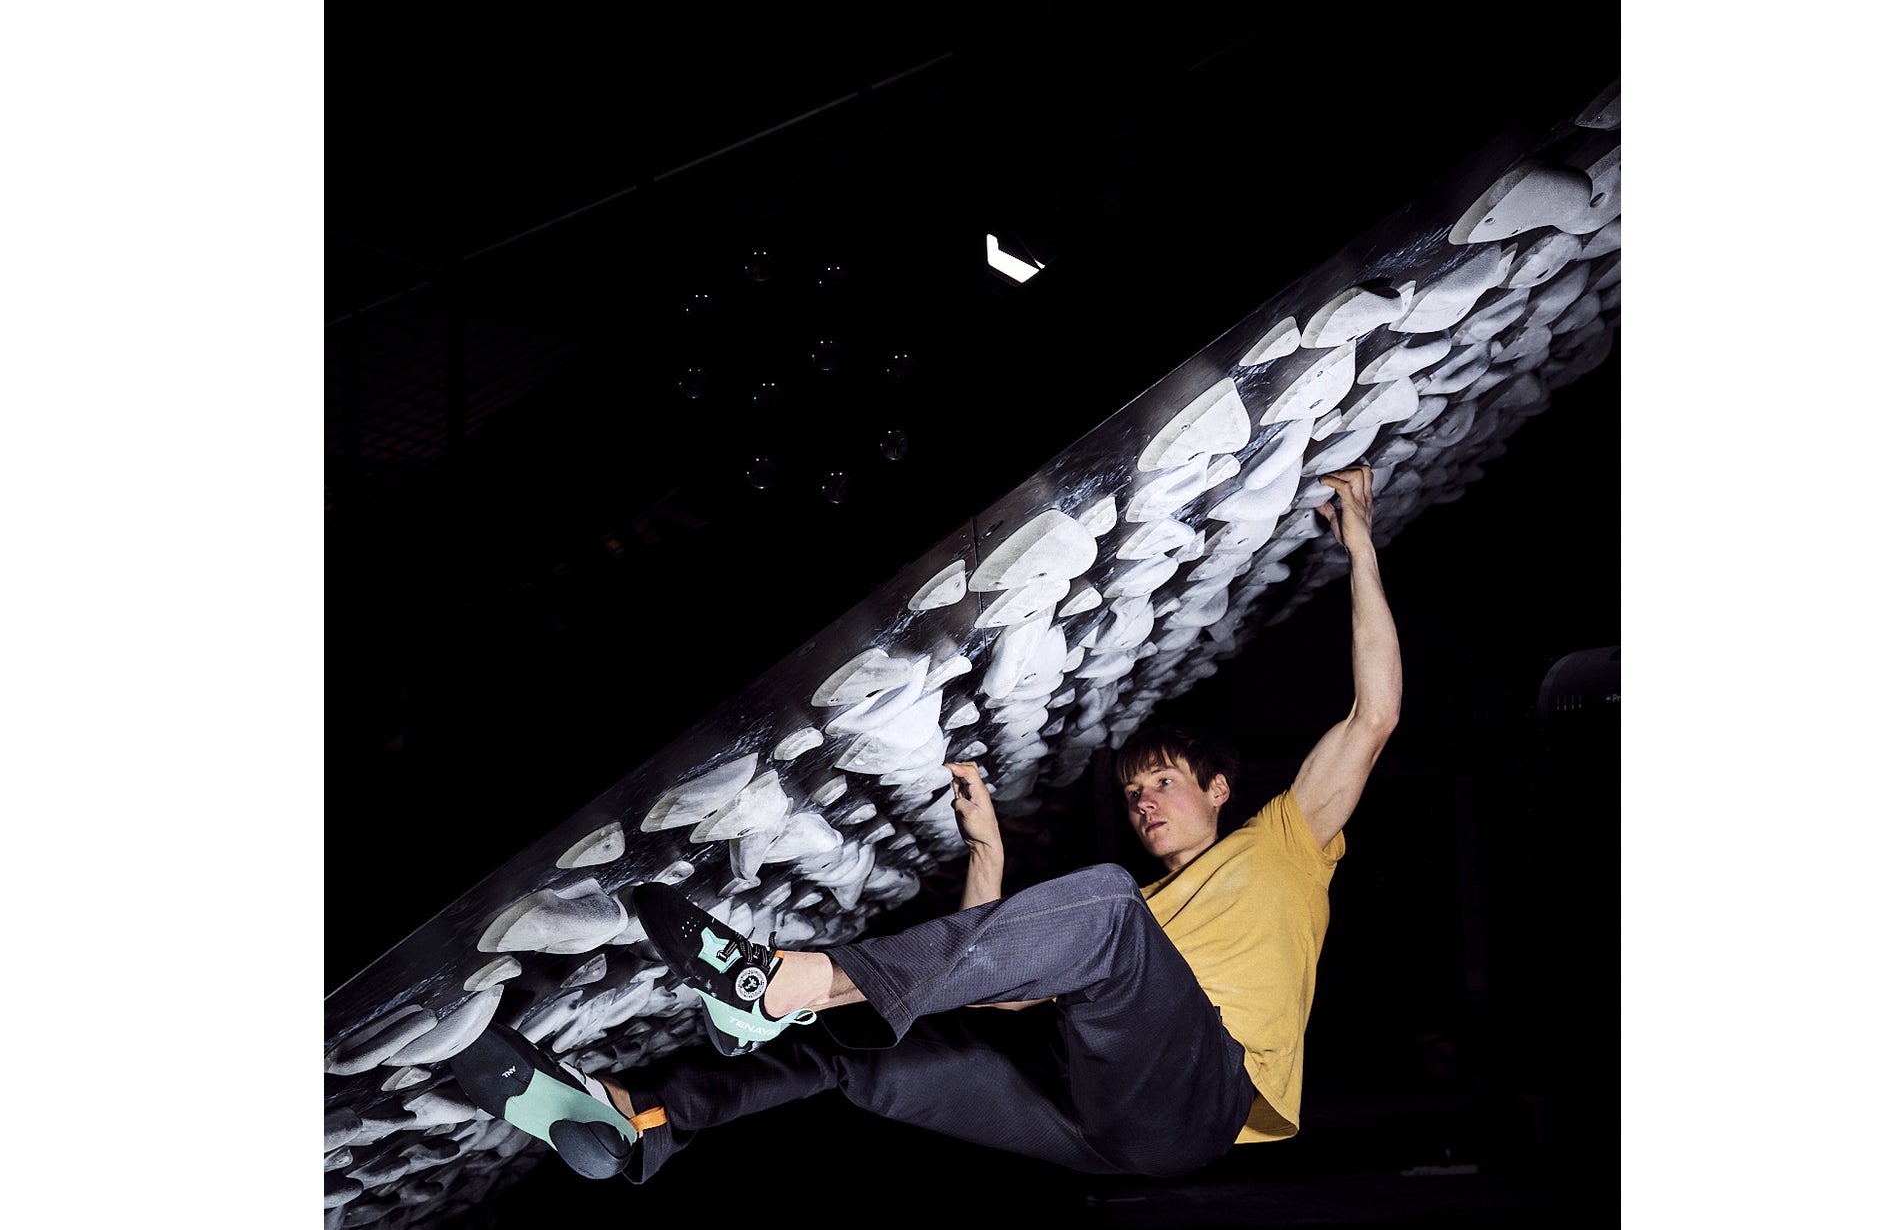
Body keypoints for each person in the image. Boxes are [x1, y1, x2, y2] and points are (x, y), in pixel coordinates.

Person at [454, 464, 1400, 1184]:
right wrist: (986, 849)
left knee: (1106, 910)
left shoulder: (1287, 842)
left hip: (1204, 1102)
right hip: (1089, 1118)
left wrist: (1360, 545)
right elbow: (994, 992)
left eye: (1162, 783)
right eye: (1134, 792)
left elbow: (1374, 715)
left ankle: (783, 985)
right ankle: (641, 1120)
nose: (1145, 801)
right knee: (858, 1055)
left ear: (1221, 788)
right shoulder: (1134, 931)